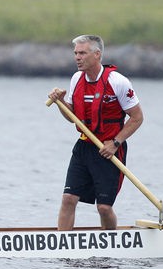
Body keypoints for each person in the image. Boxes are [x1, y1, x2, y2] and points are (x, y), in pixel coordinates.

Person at [47, 34, 143, 230]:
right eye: (75, 53)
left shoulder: (118, 82)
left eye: (82, 53)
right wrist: (61, 103)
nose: (77, 57)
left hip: (109, 149)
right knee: (68, 198)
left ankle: (111, 244)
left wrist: (115, 143)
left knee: (104, 208)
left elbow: (137, 118)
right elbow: (72, 117)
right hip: (84, 146)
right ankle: (62, 247)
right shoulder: (77, 79)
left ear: (97, 54)